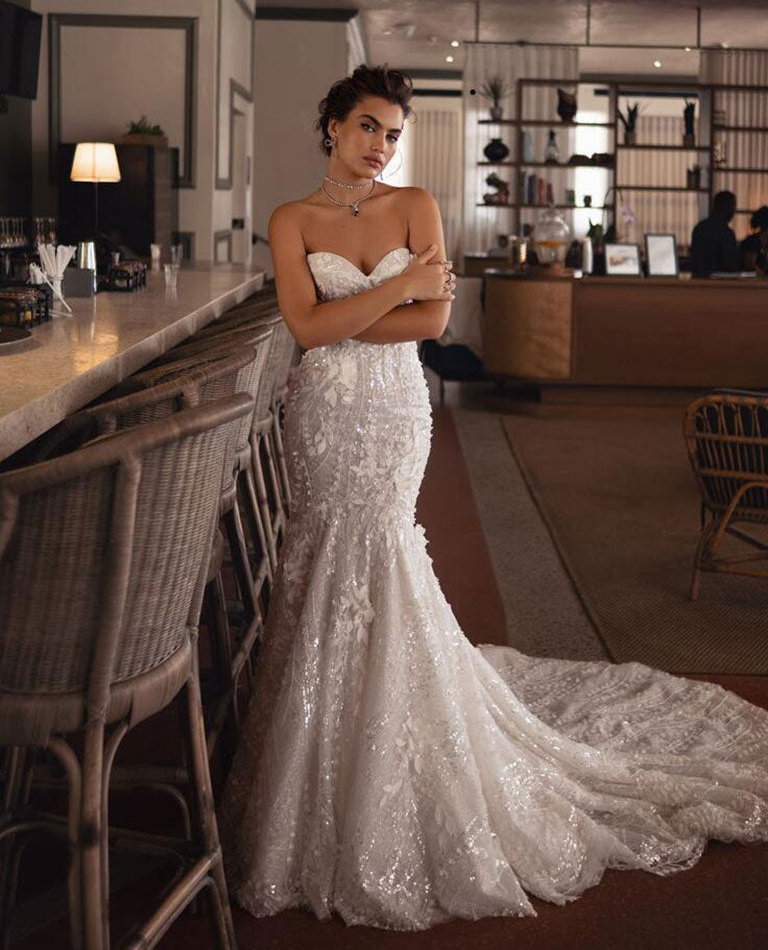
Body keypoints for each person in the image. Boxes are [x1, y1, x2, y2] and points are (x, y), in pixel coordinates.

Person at [221, 66, 768, 931]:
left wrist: (374, 306)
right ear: (331, 125)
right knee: (320, 558)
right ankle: (321, 753)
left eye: (394, 133)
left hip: (395, 413)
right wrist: (398, 289)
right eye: (368, 127)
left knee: (388, 553)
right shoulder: (292, 220)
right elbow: (305, 328)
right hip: (324, 416)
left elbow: (433, 326)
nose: (382, 147)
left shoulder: (418, 207)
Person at [690, 190, 739, 276]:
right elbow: (730, 264)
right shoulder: (726, 233)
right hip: (720, 283)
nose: (734, 211)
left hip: (698, 280)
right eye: (733, 206)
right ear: (727, 207)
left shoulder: (699, 227)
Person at [740, 205, 768, 274]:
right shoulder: (752, 241)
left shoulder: (765, 242)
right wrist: (764, 273)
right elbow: (750, 265)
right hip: (747, 281)